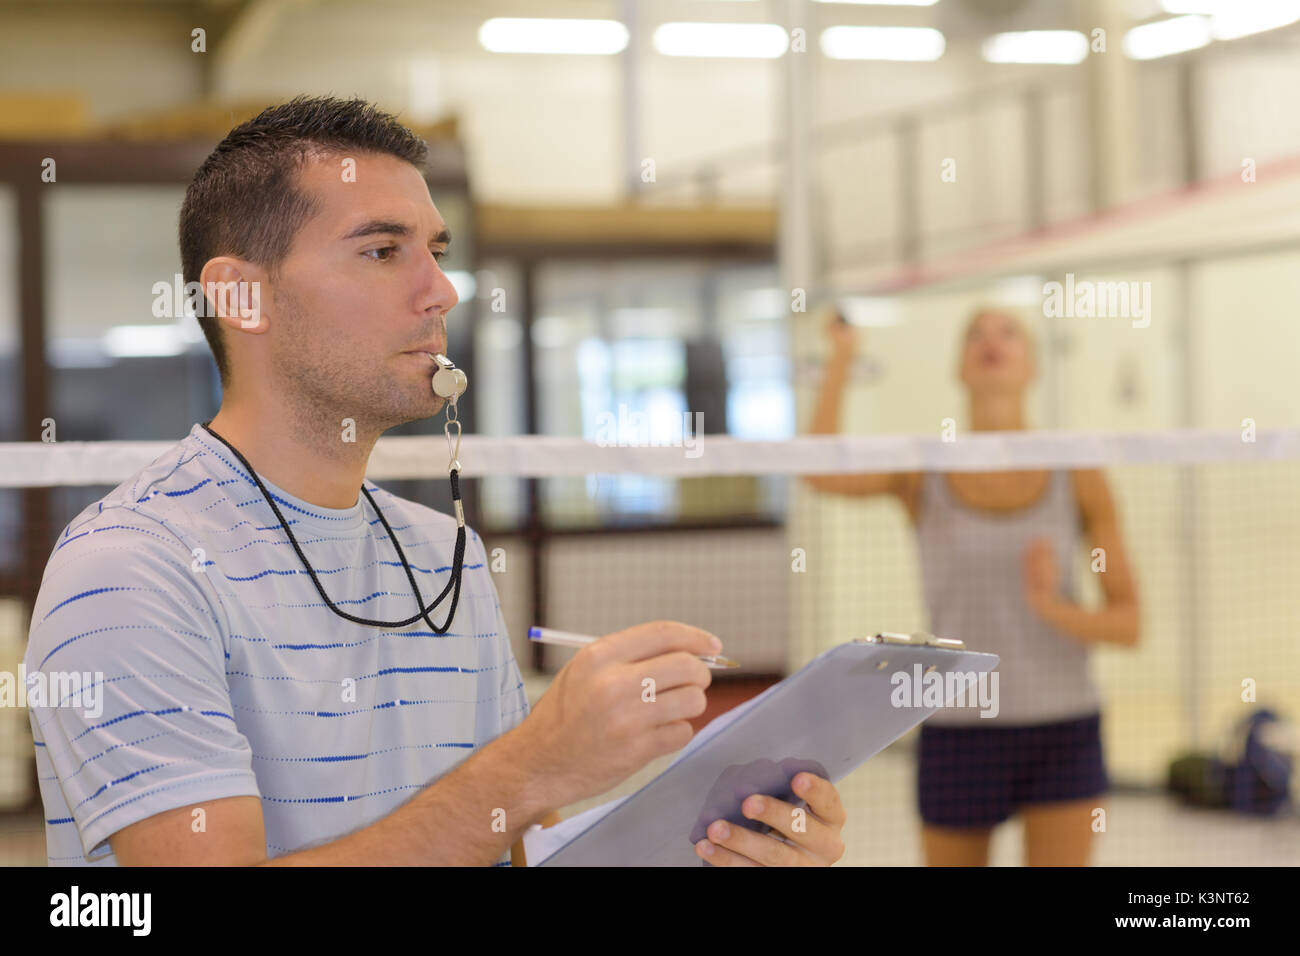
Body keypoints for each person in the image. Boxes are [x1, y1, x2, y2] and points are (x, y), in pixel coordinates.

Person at [25, 95, 846, 867]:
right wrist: (532, 767)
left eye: (437, 252)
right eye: (383, 251)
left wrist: (704, 842)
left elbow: (510, 848)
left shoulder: (442, 556)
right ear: (240, 296)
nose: (441, 291)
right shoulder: (131, 567)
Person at [805, 306, 1139, 866]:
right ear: (959, 366)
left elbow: (1129, 623)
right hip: (958, 730)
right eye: (976, 333)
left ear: (1032, 365)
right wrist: (842, 358)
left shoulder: (1077, 471)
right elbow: (818, 469)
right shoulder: (922, 467)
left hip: (1062, 728)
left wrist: (1052, 607)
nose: (992, 341)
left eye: (1009, 333)